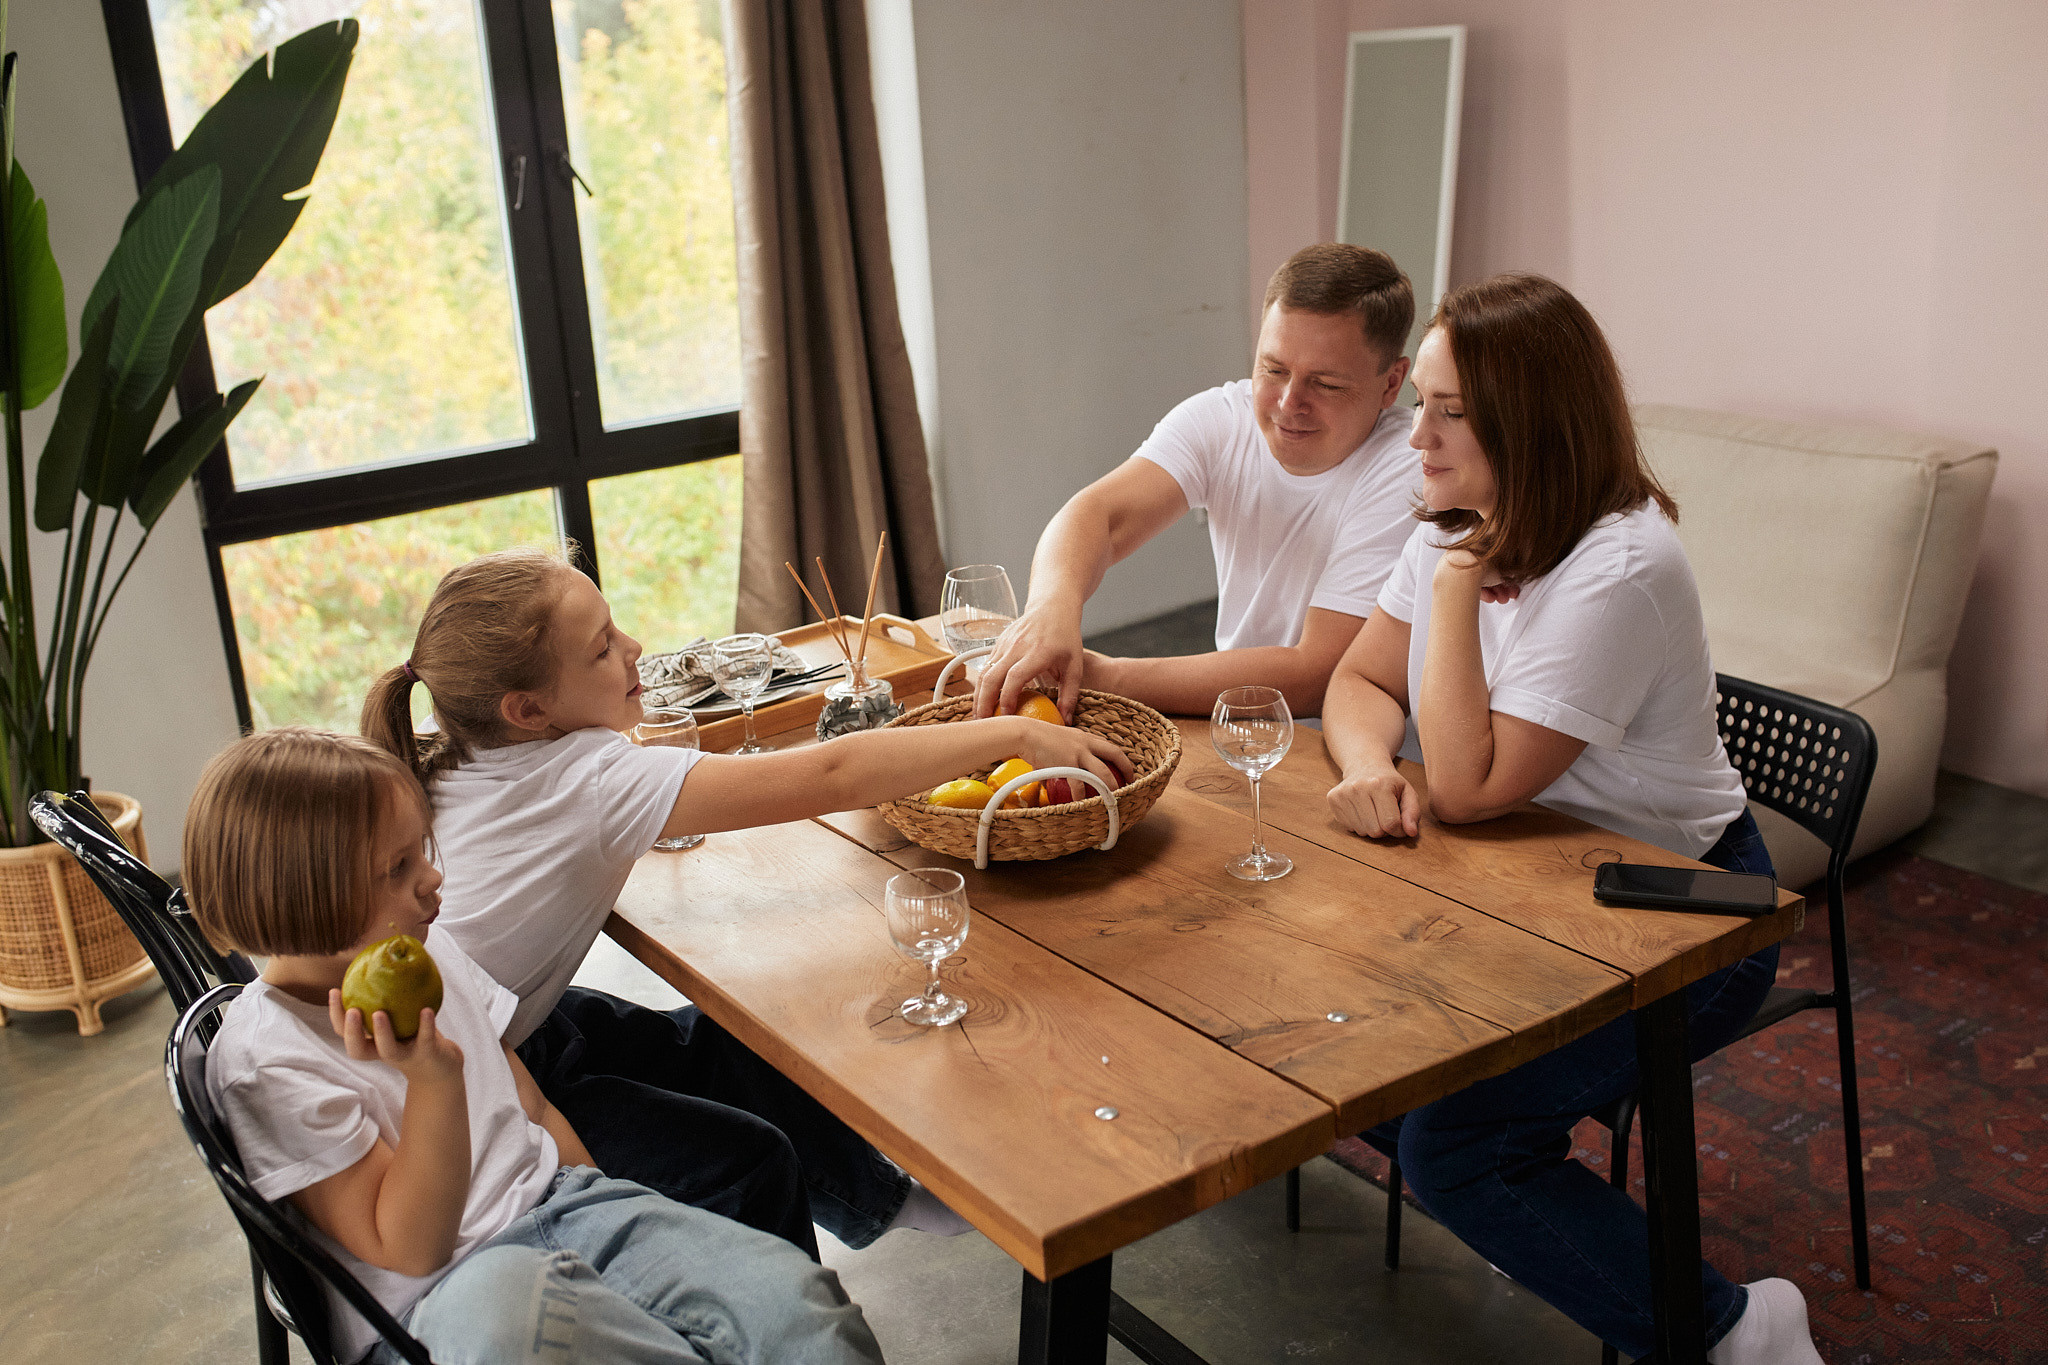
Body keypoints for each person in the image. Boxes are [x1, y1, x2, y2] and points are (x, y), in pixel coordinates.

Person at [1318, 273, 1824, 1365]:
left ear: (1527, 420)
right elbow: (1357, 680)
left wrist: (1454, 588)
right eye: (1424, 402)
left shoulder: (1620, 565)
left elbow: (1464, 785)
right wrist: (1363, 763)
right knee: (1334, 1055)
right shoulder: (1457, 512)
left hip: (1684, 919)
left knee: (1456, 1149)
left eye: (1448, 409)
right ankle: (1542, 1232)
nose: (1416, 433)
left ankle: (1741, 1330)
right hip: (1520, 884)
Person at [360, 549, 1129, 1260]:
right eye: (600, 648)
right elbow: (831, 774)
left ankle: (885, 1199)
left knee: (726, 1040)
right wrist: (1018, 733)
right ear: (527, 709)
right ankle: (792, 1324)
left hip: (490, 1033)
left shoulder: (449, 743)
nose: (633, 648)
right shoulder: (590, 778)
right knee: (747, 1163)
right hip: (460, 1096)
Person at [184, 728, 885, 1365]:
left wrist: (612, 1201)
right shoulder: (266, 1062)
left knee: (801, 1312)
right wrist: (432, 1080)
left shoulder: (425, 948)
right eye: (397, 868)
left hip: (568, 1210)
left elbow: (529, 1106)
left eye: (421, 851)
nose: (432, 880)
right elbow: (413, 1248)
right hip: (441, 1300)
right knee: (517, 1315)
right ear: (309, 897)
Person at [974, 241, 1420, 721]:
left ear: (1391, 384)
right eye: (1274, 369)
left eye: (1326, 384)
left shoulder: (1412, 464)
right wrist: (1050, 611)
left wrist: (1107, 677)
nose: (1289, 403)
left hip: (1360, 744)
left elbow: (1319, 674)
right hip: (1233, 720)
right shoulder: (1223, 417)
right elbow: (1097, 515)